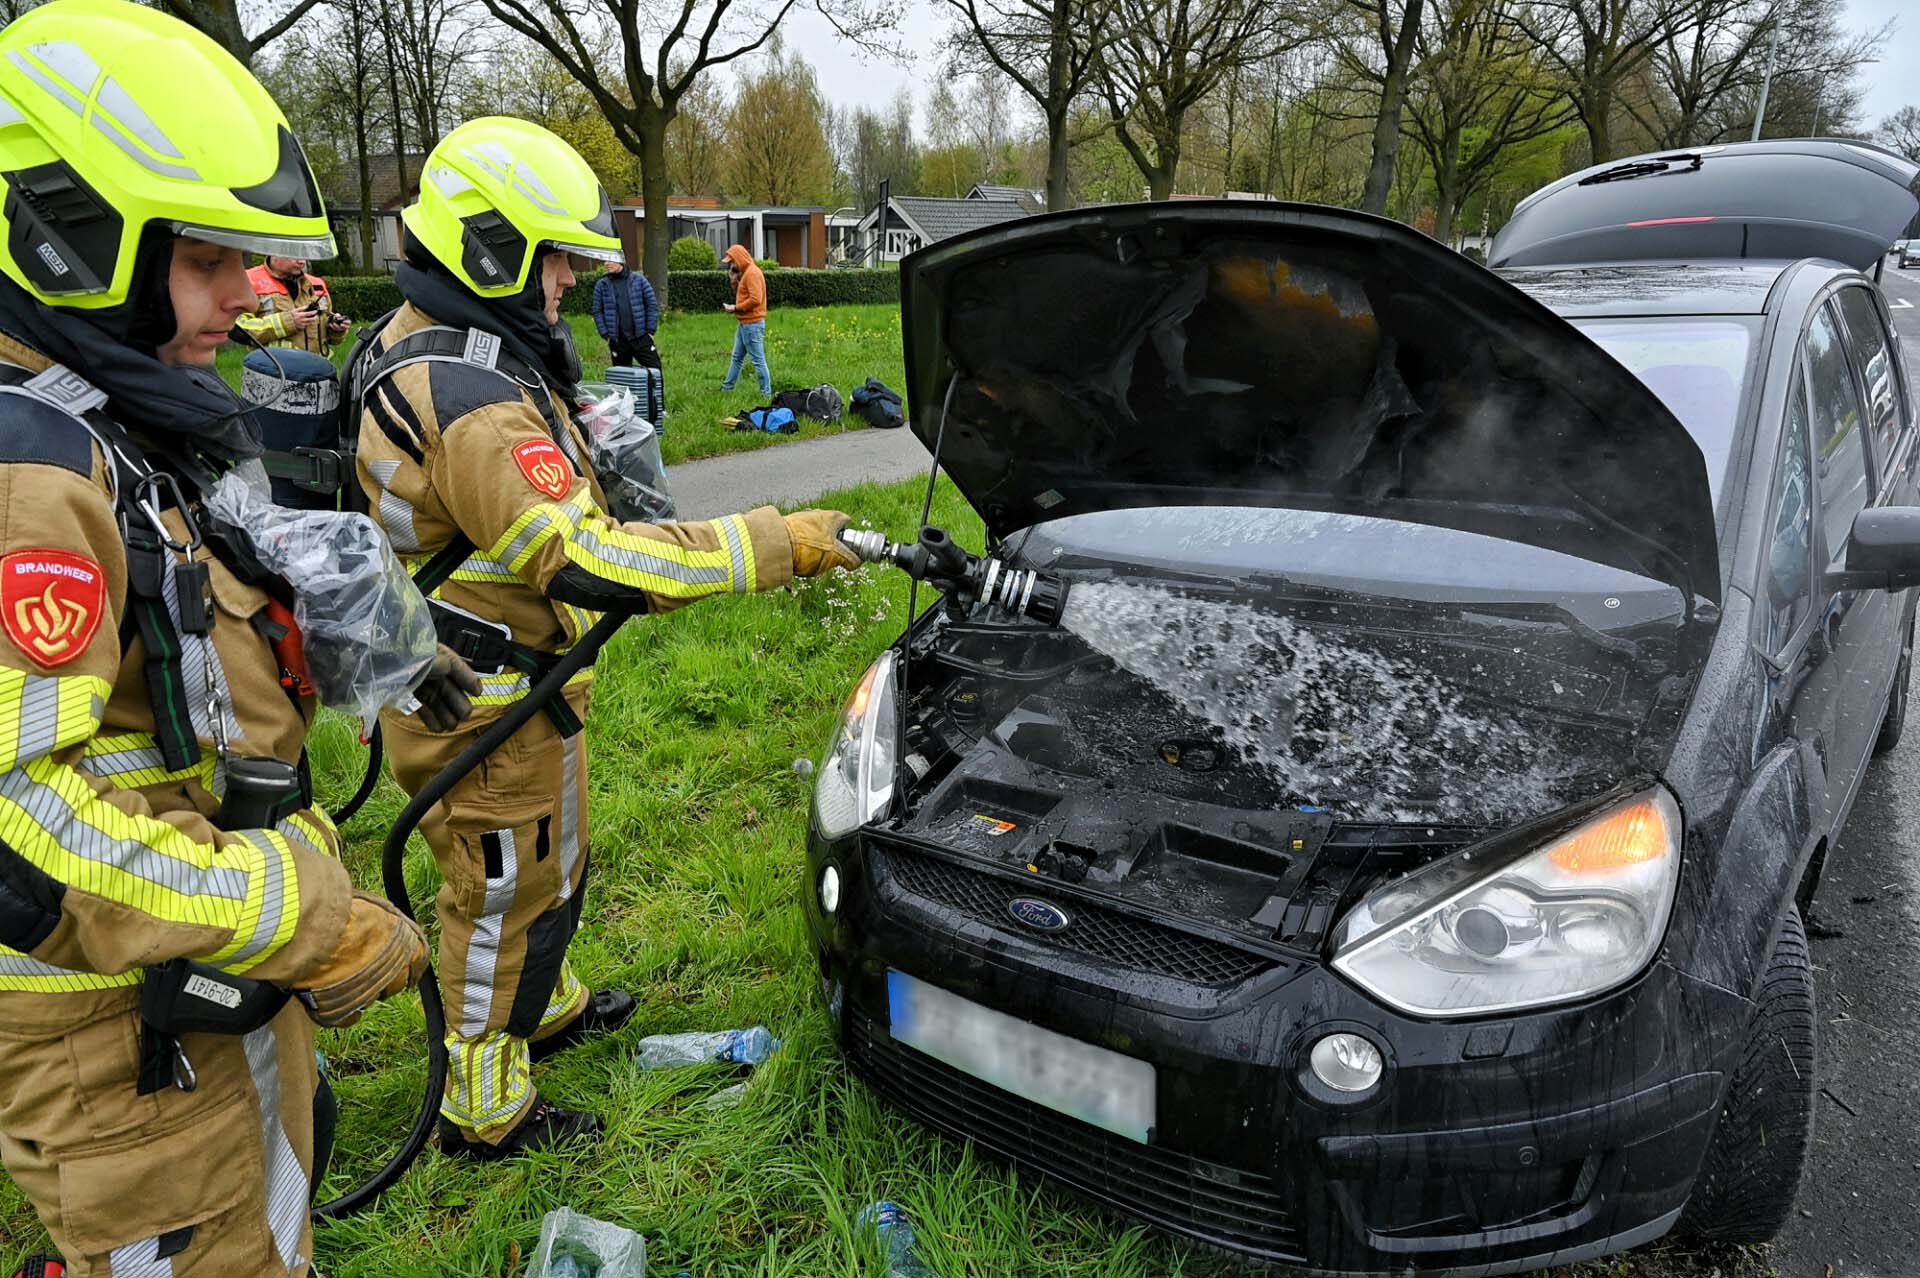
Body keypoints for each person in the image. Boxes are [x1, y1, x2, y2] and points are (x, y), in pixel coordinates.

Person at [0, 2, 480, 1274]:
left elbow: (237, 575)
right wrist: (299, 912)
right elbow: (13, 820)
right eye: (207, 257)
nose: (246, 294)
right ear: (70, 239)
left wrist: (387, 646)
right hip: (123, 1047)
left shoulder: (109, 417)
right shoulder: (26, 483)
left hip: (195, 993)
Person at [354, 116, 863, 1161]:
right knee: (500, 891)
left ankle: (549, 1007)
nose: (568, 287)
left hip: (518, 689)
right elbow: (589, 559)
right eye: (553, 264)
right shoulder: (468, 402)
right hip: (484, 704)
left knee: (553, 862)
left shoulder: (430, 342)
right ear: (490, 251)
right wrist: (776, 542)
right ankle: (486, 1108)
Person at [235, 254, 352, 355]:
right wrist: (289, 322)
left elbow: (330, 339)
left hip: (318, 372)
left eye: (304, 255)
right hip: (274, 373)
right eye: (294, 255)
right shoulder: (249, 280)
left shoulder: (317, 284)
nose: (302, 261)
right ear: (274, 252)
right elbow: (237, 329)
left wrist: (336, 329)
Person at [590, 257, 659, 371]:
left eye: (610, 260)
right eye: (605, 261)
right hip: (618, 341)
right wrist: (606, 335)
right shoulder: (601, 285)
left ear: (620, 260)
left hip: (641, 338)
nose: (606, 264)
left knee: (655, 372)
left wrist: (650, 331)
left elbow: (651, 305)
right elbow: (597, 311)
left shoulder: (639, 280)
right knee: (621, 378)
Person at [719, 244, 770, 397]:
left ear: (740, 259)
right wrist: (734, 280)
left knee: (758, 361)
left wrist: (735, 308)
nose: (732, 265)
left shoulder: (752, 274)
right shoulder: (746, 273)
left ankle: (766, 394)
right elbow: (744, 294)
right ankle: (726, 389)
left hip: (752, 324)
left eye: (733, 261)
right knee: (737, 358)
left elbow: (755, 299)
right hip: (745, 324)